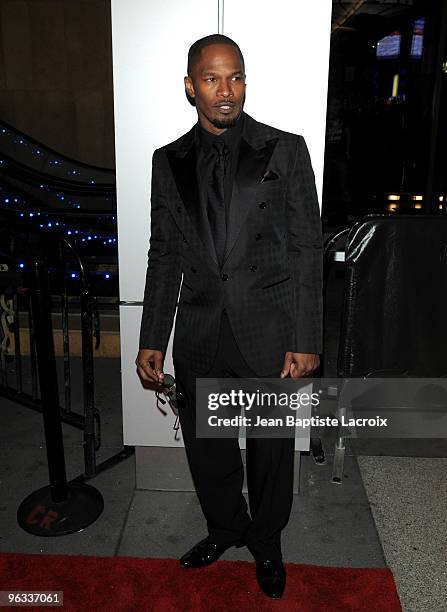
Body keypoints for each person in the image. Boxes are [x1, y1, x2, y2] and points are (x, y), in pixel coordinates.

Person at [136, 34, 323, 600]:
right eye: (213, 79)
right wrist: (152, 337)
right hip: (199, 328)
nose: (226, 90)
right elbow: (164, 252)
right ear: (190, 87)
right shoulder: (167, 161)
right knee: (208, 445)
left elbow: (307, 248)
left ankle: (267, 542)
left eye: (236, 77)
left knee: (270, 450)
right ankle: (224, 528)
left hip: (267, 328)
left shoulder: (284, 150)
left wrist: (307, 337)